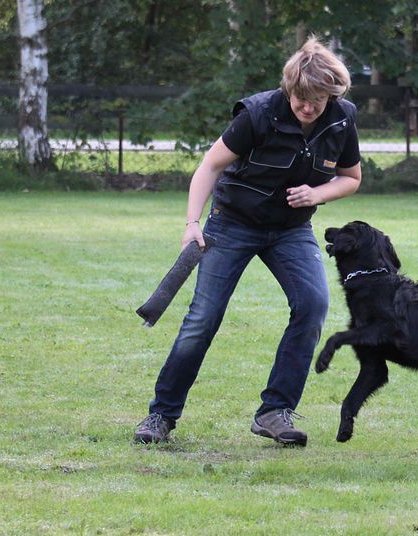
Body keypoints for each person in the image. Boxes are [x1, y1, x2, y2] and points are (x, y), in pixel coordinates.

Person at [134, 38, 362, 447]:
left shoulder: (341, 119)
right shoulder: (257, 114)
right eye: (301, 98)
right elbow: (210, 166)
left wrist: (317, 194)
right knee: (203, 319)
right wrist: (192, 223)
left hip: (291, 229)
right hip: (233, 223)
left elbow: (351, 177)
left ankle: (275, 412)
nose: (309, 108)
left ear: (332, 95)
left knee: (313, 305)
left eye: (318, 100)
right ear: (289, 88)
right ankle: (160, 416)